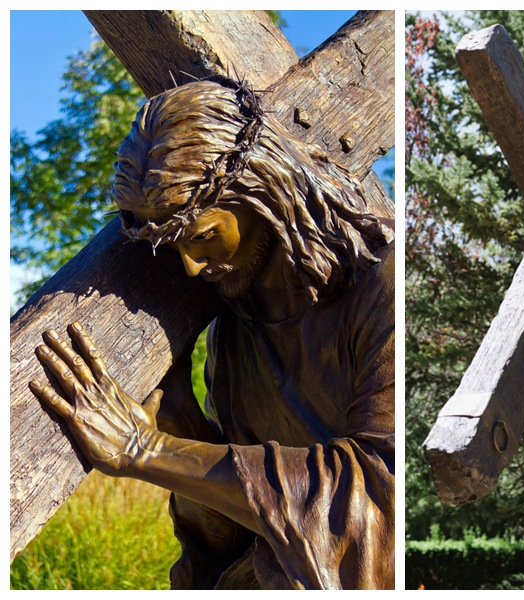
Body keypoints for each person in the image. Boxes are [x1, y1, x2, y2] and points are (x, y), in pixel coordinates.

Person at [29, 77, 395, 590]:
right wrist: (179, 416)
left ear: (264, 188)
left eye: (201, 235)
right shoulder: (237, 329)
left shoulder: (385, 282)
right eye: (171, 246)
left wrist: (144, 448)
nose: (192, 268)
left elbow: (376, 504)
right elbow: (233, 540)